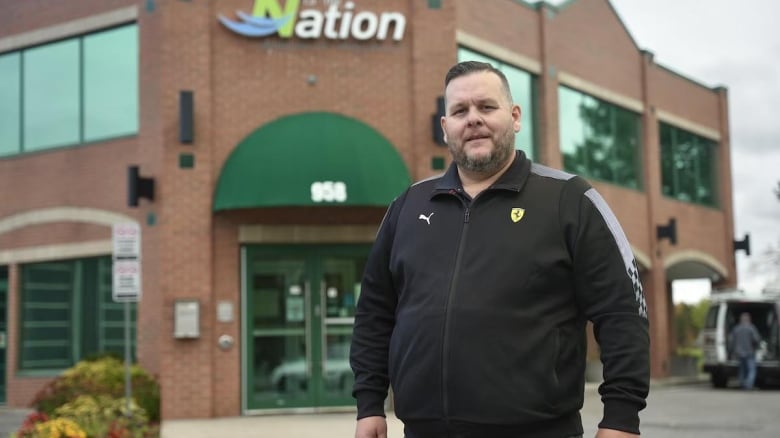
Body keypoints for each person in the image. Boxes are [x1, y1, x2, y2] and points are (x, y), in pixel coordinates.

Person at [350, 61, 650, 438]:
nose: (473, 119)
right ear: (446, 128)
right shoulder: (408, 206)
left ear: (515, 116)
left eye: (486, 107)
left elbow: (622, 311)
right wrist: (369, 404)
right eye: (460, 111)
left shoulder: (569, 200)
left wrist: (622, 417)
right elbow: (375, 311)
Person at [729, 312, 761, 390]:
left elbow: (732, 341)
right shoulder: (751, 328)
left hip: (739, 353)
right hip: (749, 352)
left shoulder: (736, 329)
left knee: (742, 369)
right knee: (751, 370)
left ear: (741, 320)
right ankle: (749, 385)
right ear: (749, 319)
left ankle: (742, 384)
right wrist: (756, 347)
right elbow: (756, 339)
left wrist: (731, 352)